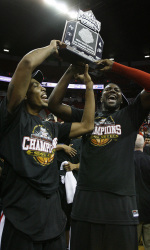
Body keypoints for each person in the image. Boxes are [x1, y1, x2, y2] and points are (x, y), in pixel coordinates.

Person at [0, 40, 95, 250]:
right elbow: (26, 64)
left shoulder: (52, 127)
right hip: (21, 215)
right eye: (35, 85)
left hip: (52, 216)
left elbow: (88, 125)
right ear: (24, 93)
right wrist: (53, 48)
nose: (42, 88)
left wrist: (85, 82)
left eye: (42, 85)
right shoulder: (12, 118)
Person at [48, 59, 150, 250]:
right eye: (107, 90)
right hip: (86, 202)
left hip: (120, 204)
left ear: (122, 100)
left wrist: (116, 68)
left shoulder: (130, 115)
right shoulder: (86, 117)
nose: (112, 91)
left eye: (117, 91)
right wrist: (70, 71)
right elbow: (53, 104)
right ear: (100, 97)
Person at [134, 134, 150, 250]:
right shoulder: (148, 160)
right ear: (143, 144)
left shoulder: (124, 162)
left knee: (131, 243)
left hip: (132, 208)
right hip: (148, 206)